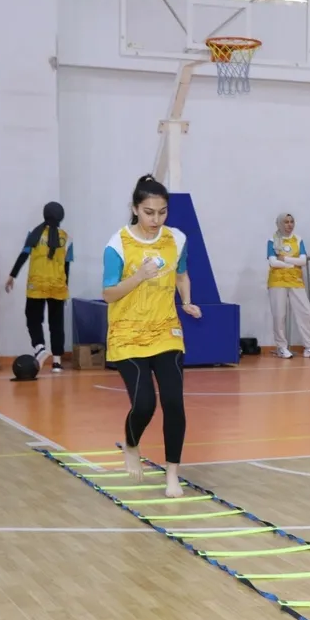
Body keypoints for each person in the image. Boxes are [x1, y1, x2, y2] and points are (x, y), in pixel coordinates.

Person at [102, 174, 201, 497]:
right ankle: (131, 444)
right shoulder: (118, 244)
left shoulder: (177, 239)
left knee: (173, 401)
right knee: (144, 403)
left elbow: (181, 275)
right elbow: (108, 293)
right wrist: (139, 276)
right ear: (135, 209)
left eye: (161, 212)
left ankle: (172, 473)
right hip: (127, 334)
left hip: (165, 330)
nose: (155, 219)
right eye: (148, 212)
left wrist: (186, 301)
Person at [5, 202, 72, 371]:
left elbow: (23, 256)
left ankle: (40, 347)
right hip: (57, 285)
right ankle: (57, 362)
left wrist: (12, 275)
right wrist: (65, 288)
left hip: (37, 285)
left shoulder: (34, 234)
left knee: (33, 318)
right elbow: (66, 267)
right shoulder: (67, 238)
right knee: (56, 324)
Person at [267, 213, 310, 359]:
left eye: (291, 222)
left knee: (305, 312)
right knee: (279, 315)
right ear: (279, 223)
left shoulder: (298, 239)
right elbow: (273, 262)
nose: (289, 225)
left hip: (295, 280)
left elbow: (303, 261)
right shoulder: (273, 240)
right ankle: (281, 347)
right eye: (286, 222)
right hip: (277, 281)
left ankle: (309, 347)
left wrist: (284, 259)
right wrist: (292, 263)